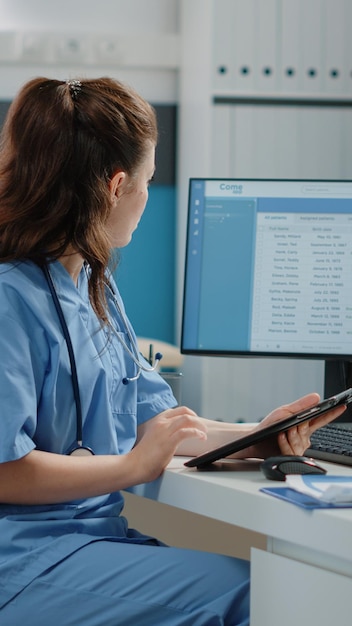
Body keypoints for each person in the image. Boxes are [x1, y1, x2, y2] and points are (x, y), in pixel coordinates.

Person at [0, 76, 345, 626]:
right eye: (148, 181)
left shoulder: (94, 284)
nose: (146, 196)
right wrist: (132, 466)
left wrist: (257, 435)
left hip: (92, 540)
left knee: (281, 586)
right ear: (116, 186)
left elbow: (158, 422)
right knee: (269, 596)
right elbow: (6, 470)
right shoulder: (8, 298)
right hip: (24, 561)